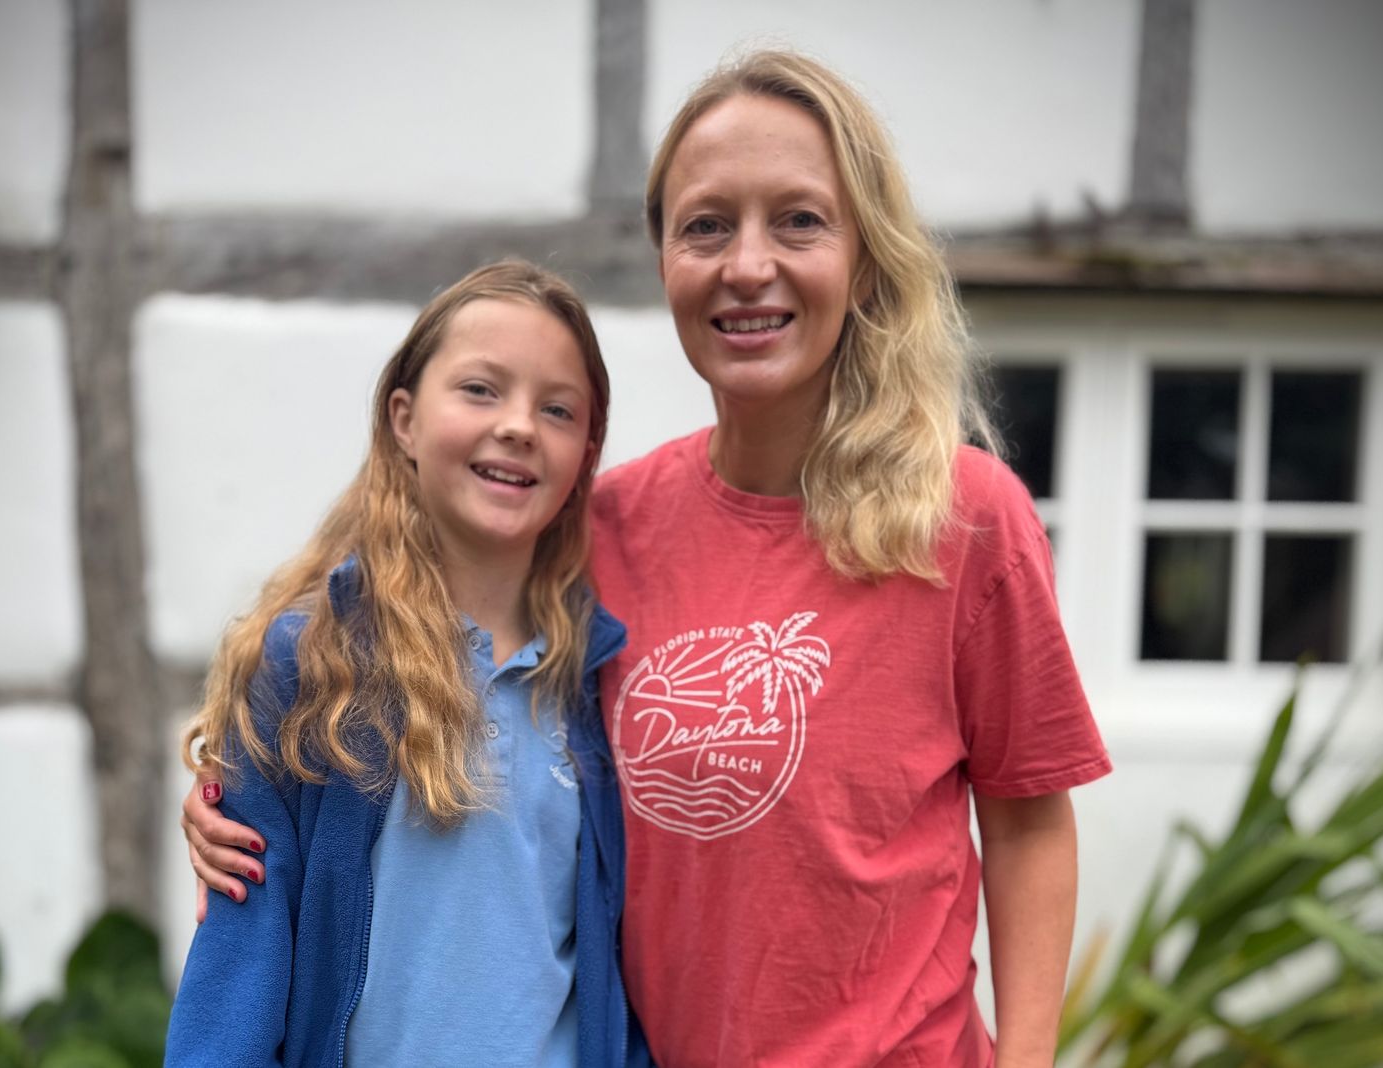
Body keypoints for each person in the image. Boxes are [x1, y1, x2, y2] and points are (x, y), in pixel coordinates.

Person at [184, 51, 1110, 1067]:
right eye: (705, 225)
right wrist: (254, 804)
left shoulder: (967, 518)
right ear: (665, 258)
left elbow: (1027, 826)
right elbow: (423, 675)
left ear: (865, 255)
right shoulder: (599, 532)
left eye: (798, 220)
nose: (746, 265)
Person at [164, 260, 647, 1067]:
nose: (520, 425)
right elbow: (237, 969)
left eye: (557, 408)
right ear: (404, 419)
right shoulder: (308, 663)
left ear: (585, 453)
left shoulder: (596, 679)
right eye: (481, 390)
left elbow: (609, 962)